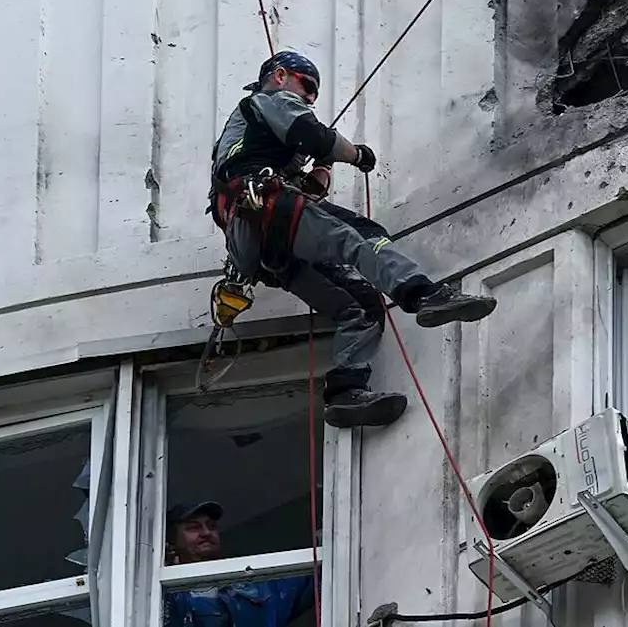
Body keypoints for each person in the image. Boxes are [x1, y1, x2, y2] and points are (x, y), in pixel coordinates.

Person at [208, 50, 497, 429]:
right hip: (266, 209)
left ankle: (346, 392)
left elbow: (309, 188)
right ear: (280, 75)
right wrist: (356, 154)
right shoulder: (269, 100)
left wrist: (321, 168)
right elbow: (312, 135)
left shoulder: (253, 137)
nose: (310, 97)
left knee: (360, 305)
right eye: (306, 86)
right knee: (362, 236)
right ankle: (424, 294)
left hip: (259, 245)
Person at [163, 501, 315, 627]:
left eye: (212, 526)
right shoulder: (161, 593)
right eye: (193, 528)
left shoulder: (255, 589)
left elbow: (317, 578)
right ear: (172, 540)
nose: (206, 533)